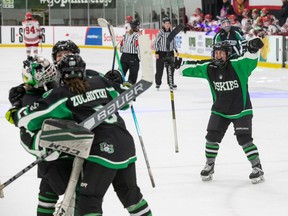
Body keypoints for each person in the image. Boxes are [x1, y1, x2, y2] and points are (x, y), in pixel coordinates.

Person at [12, 54, 152, 215]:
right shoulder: (101, 82)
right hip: (125, 144)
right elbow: (127, 100)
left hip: (101, 149)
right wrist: (120, 80)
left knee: (88, 201)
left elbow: (28, 119)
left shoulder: (60, 94)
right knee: (131, 196)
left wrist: (15, 109)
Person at [179, 38, 265, 184]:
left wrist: (253, 49)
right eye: (216, 53)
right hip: (220, 111)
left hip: (241, 110)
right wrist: (175, 64)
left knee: (244, 139)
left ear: (228, 54)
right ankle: (210, 165)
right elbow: (187, 70)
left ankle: (257, 167)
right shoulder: (209, 68)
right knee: (211, 138)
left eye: (221, 53)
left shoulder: (238, 66)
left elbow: (250, 59)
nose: (218, 56)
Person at [5, 56, 71, 216]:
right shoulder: (29, 97)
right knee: (48, 187)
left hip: (67, 149)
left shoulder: (47, 92)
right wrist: (16, 106)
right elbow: (16, 120)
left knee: (52, 187)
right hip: (54, 153)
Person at [154, 17, 179, 90]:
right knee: (159, 69)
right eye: (166, 23)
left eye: (168, 23)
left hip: (170, 53)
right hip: (161, 53)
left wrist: (176, 51)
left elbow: (174, 42)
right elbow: (156, 42)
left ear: (170, 24)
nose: (167, 25)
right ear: (163, 24)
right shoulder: (161, 32)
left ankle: (171, 83)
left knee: (171, 69)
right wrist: (156, 52)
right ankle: (158, 83)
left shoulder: (172, 32)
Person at [120, 19, 140, 84]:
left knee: (121, 74)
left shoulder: (126, 34)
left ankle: (117, 85)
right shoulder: (137, 35)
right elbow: (138, 47)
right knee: (133, 76)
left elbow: (121, 46)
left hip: (124, 56)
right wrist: (140, 58)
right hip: (133, 57)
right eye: (138, 26)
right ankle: (130, 85)